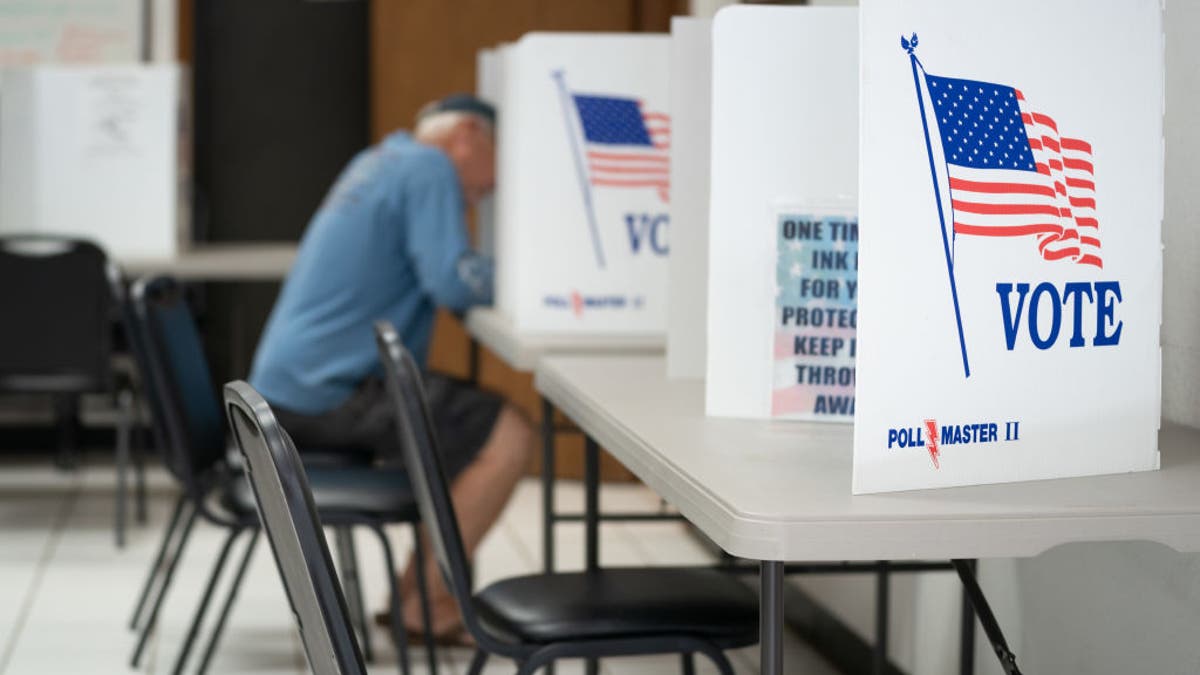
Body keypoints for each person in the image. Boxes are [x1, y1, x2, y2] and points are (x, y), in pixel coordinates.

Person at [249, 94, 532, 642]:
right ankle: (430, 605)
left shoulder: (380, 160)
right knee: (509, 435)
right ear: (469, 136)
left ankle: (417, 596)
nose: (489, 192)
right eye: (497, 168)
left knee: (461, 431)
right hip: (328, 390)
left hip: (286, 389)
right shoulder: (430, 167)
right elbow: (450, 281)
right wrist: (536, 276)